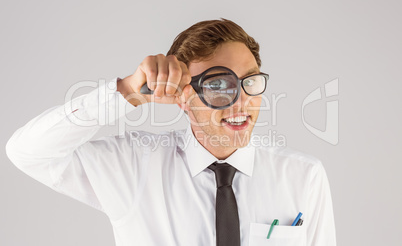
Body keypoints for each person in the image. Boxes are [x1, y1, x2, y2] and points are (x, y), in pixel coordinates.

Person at [6, 18, 336, 246]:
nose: (242, 102)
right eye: (219, 85)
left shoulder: (303, 176)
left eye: (249, 81)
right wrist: (126, 92)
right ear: (181, 96)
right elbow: (28, 152)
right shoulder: (134, 168)